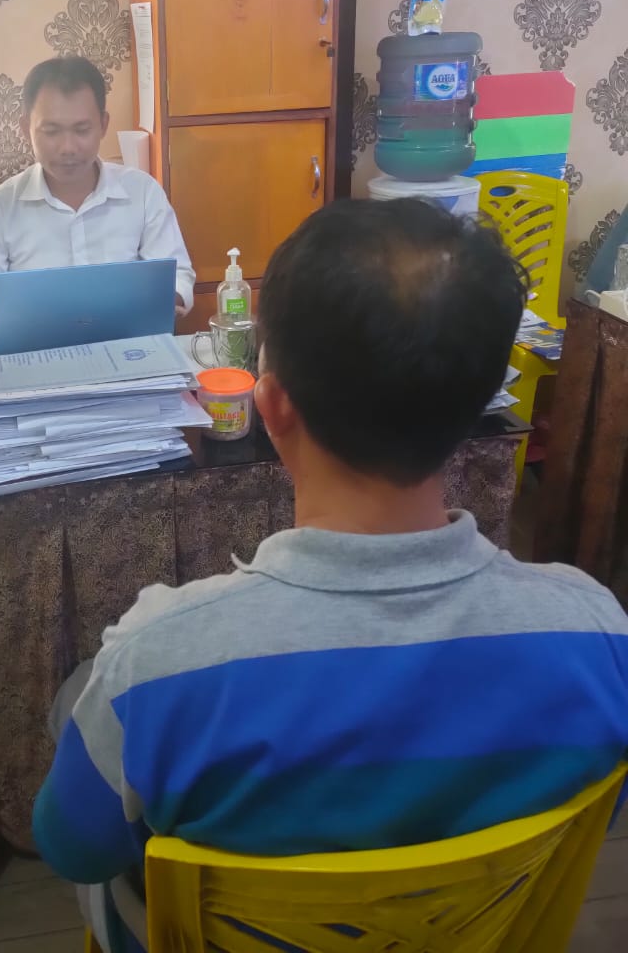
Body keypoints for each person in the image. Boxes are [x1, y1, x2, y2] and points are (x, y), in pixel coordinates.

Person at [32, 198, 628, 952]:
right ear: (480, 403)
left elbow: (73, 851)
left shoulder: (152, 668)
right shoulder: (600, 638)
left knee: (79, 709)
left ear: (273, 406)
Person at [0, 56, 194, 342]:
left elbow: (178, 278)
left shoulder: (142, 193)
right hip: (36, 357)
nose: (68, 147)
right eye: (51, 131)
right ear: (25, 128)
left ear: (103, 125)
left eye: (82, 130)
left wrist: (149, 306)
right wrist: (51, 324)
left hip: (128, 352)